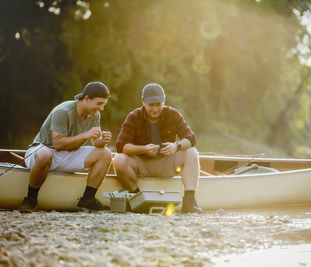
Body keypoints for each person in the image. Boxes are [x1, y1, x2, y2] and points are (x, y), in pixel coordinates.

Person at [20, 82, 113, 212]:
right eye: (99, 103)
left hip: (69, 154)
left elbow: (95, 142)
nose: (101, 108)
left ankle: (87, 199)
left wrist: (102, 141)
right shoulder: (63, 111)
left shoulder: (94, 114)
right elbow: (58, 144)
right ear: (86, 98)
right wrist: (85, 135)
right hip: (43, 150)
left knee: (106, 153)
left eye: (103, 104)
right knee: (45, 155)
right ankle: (30, 199)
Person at [113, 83, 203, 213]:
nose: (155, 109)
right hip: (141, 164)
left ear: (163, 101)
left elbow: (191, 138)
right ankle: (138, 199)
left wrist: (176, 146)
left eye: (158, 104)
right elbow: (121, 146)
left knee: (191, 152)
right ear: (143, 102)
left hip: (167, 163)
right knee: (119, 160)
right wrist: (143, 149)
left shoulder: (173, 114)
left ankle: (189, 202)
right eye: (151, 105)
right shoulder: (134, 117)